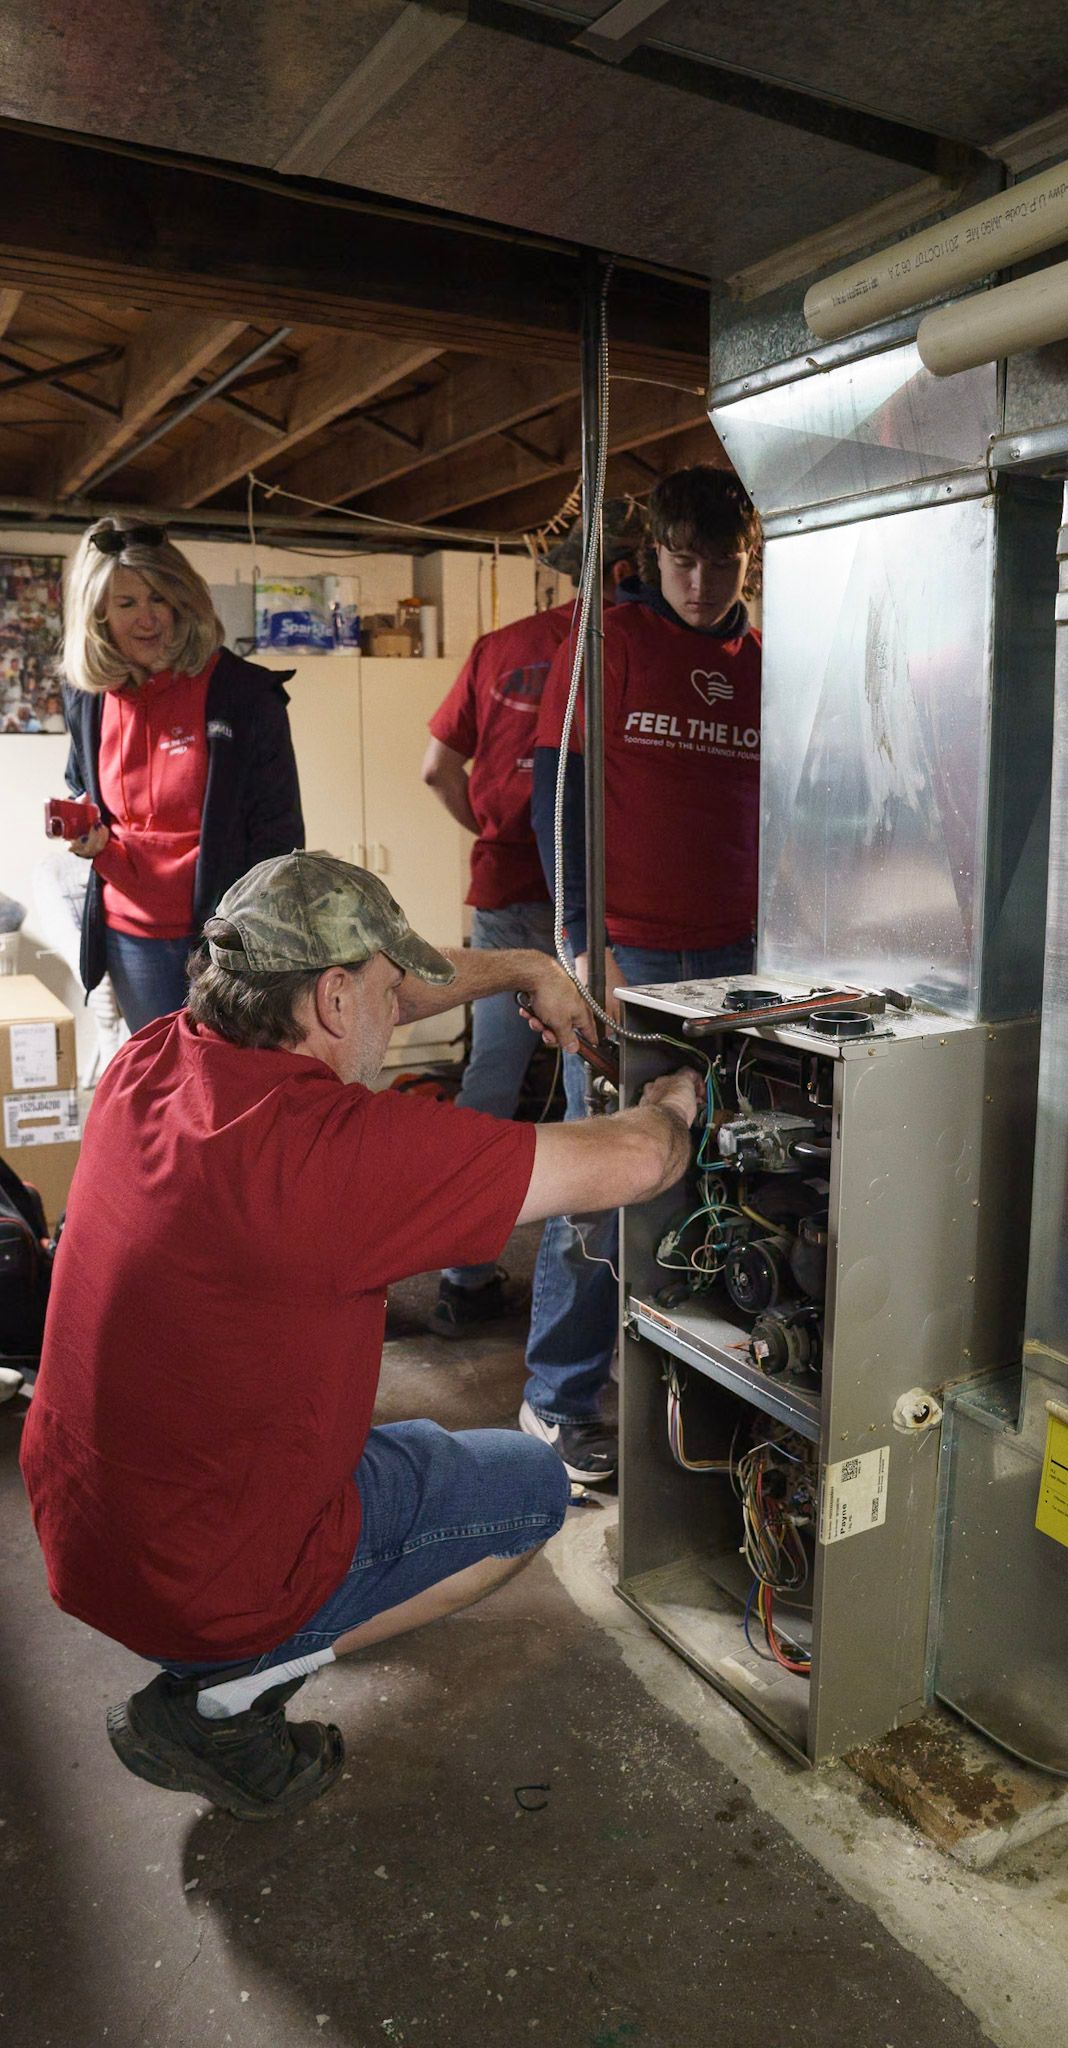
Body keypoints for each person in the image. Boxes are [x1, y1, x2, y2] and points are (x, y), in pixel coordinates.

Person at [19, 850, 700, 1821]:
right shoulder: (334, 1157)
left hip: (85, 1522)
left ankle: (232, 1648)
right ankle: (230, 1689)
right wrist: (673, 1098)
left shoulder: (153, 1056)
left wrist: (523, 971)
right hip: (200, 1574)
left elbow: (375, 992)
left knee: (401, 1449)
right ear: (335, 999)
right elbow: (637, 1156)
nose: (405, 1006)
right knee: (528, 1487)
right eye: (388, 989)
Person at [523, 465, 762, 1484]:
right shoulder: (607, 645)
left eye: (719, 564)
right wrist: (583, 944)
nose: (699, 584)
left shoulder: (764, 664)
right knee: (601, 1171)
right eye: (680, 561)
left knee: (722, 1167)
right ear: (649, 553)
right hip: (632, 947)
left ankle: (691, 1381)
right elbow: (556, 800)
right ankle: (556, 1398)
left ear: (744, 560)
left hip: (740, 958)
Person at [420, 502, 647, 1336]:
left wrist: (493, 832)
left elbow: (435, 770)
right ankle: (614, 1292)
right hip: (608, 900)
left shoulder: (500, 647)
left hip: (511, 888)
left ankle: (463, 1274)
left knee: (491, 1075)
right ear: (636, 566)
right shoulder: (637, 649)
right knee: (599, 1085)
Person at [58, 518, 304, 1032]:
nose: (148, 619)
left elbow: (279, 833)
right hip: (131, 937)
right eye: (127, 604)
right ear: (99, 612)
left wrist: (259, 940)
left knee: (225, 1092)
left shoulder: (243, 694)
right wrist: (86, 834)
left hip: (224, 938)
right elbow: (82, 783)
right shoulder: (86, 697)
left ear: (183, 601)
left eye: (160, 599)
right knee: (162, 1086)